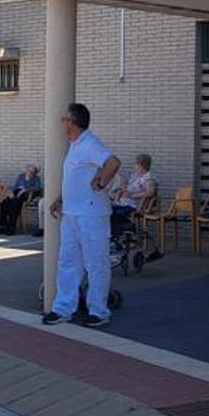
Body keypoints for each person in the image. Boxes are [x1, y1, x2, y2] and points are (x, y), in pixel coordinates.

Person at [45, 103, 122, 328]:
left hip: (91, 215)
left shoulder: (90, 143)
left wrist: (101, 181)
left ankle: (98, 311)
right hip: (71, 214)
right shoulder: (75, 145)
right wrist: (60, 200)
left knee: (96, 263)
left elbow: (113, 163)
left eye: (64, 118)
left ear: (73, 122)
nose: (62, 122)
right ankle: (62, 309)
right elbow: (75, 180)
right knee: (67, 262)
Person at [0, 164, 42, 235]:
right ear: (26, 170)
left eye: (32, 172)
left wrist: (25, 190)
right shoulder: (21, 176)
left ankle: (12, 227)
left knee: (14, 205)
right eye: (29, 171)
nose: (30, 173)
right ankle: (3, 226)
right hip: (16, 193)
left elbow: (38, 188)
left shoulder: (36, 178)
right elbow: (15, 186)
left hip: (26, 195)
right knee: (4, 203)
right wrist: (11, 192)